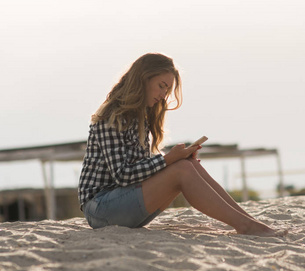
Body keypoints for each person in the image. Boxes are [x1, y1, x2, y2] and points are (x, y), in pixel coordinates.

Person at [78, 53, 280, 236]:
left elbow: (139, 172)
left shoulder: (141, 117)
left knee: (188, 165)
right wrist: (168, 160)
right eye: (161, 86)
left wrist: (176, 159)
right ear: (143, 79)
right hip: (100, 209)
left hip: (122, 203)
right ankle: (245, 225)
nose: (164, 95)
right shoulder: (112, 116)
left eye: (167, 89)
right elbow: (122, 175)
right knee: (181, 169)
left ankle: (249, 222)